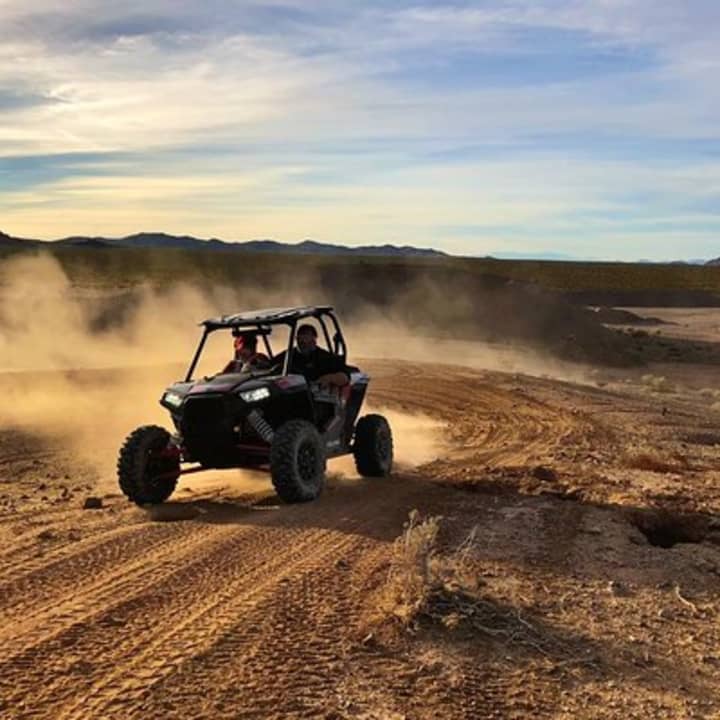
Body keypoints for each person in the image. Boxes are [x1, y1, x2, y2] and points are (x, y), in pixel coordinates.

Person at [275, 323, 349, 386]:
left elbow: (345, 377)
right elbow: (271, 366)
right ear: (296, 339)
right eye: (300, 337)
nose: (303, 340)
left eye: (306, 336)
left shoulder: (325, 357)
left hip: (317, 396)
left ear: (314, 338)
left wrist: (330, 378)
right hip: (292, 393)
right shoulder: (287, 356)